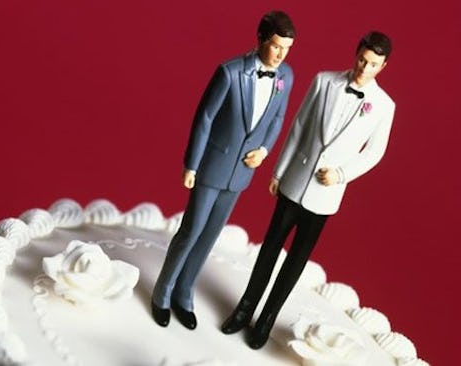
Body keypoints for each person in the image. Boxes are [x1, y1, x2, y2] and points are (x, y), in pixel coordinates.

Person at [221, 31, 395, 349]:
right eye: (361, 59)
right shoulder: (323, 81)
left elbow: (374, 153)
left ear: (382, 66)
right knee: (269, 249)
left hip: (325, 194)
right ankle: (244, 309)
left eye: (372, 64)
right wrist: (279, 170)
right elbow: (299, 126)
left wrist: (342, 174)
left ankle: (266, 320)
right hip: (295, 179)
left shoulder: (384, 106)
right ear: (355, 53)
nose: (364, 68)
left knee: (295, 262)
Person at [151, 11, 296, 330]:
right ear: (260, 40)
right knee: (191, 231)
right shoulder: (230, 73)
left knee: (211, 235)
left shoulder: (286, 77)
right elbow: (204, 119)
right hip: (211, 166)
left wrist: (265, 150)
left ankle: (184, 293)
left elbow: (276, 120)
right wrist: (191, 164)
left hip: (241, 174)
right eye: (276, 46)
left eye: (287, 48)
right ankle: (163, 292)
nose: (281, 54)